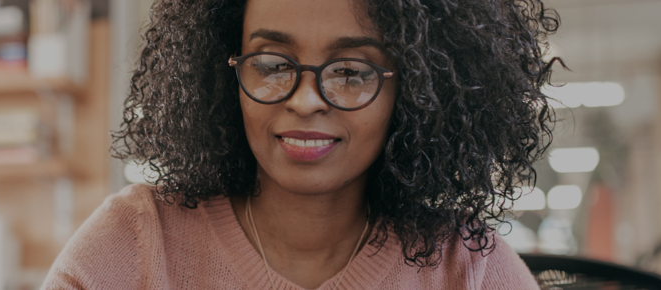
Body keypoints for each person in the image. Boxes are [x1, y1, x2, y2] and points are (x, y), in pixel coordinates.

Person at [44, 0, 560, 288]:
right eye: (272, 65)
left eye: (351, 71)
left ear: (419, 89)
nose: (307, 99)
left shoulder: (469, 271)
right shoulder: (135, 246)